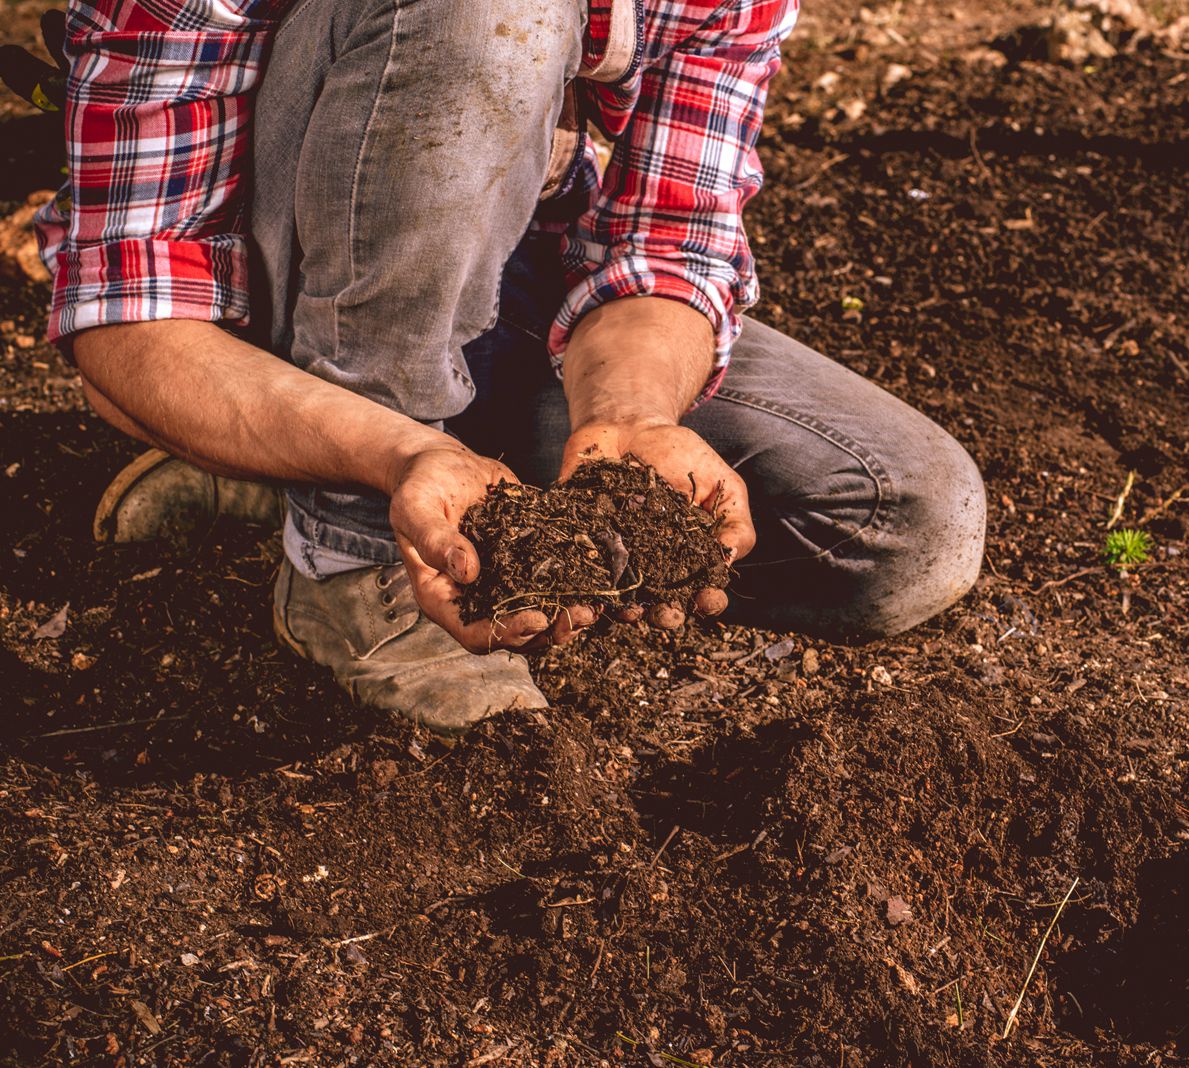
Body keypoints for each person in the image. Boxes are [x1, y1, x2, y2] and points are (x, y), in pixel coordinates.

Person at [11, 0, 985, 733]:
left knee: (901, 521)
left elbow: (669, 244)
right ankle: (346, 554)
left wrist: (631, 418)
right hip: (257, 280)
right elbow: (127, 323)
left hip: (495, 268)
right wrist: (391, 454)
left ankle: (325, 470)